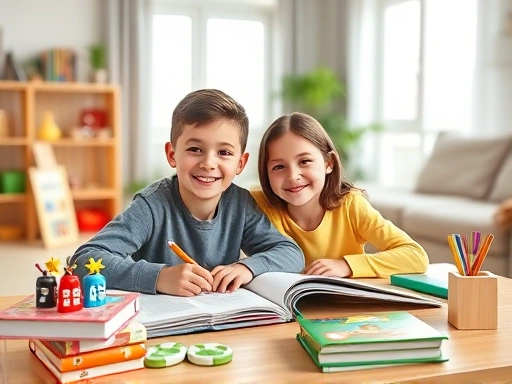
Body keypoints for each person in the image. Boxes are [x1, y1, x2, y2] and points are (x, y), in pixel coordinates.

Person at [69, 89, 304, 297]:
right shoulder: (152, 206)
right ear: (172, 155)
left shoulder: (240, 204)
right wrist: (159, 277)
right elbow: (83, 260)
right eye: (195, 149)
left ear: (240, 163)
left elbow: (291, 253)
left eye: (224, 152)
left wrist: (246, 268)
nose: (208, 163)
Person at [252, 112, 428, 278]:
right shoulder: (256, 203)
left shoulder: (351, 205)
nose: (293, 176)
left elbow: (415, 255)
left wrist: (346, 265)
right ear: (265, 172)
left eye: (304, 161)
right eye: (279, 167)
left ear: (329, 163)